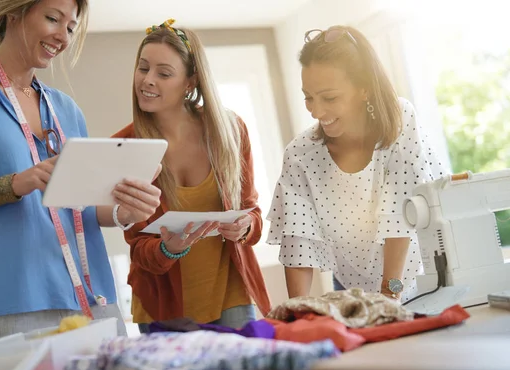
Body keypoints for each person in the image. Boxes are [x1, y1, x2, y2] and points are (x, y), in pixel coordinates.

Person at [0, 0, 162, 350]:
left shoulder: (66, 109)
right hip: (6, 308)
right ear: (15, 12)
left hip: (92, 303)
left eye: (71, 27)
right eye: (52, 19)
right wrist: (13, 185)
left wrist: (127, 210)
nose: (63, 36)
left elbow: (81, 207)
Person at [267, 26, 447, 302]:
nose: (316, 111)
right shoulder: (300, 154)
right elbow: (298, 241)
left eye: (329, 97)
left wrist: (389, 295)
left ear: (364, 89)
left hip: (422, 278)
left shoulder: (400, 120)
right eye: (308, 97)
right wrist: (297, 311)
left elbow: (400, 216)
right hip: (351, 286)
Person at [113, 19, 271, 333]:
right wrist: (169, 248)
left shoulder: (230, 130)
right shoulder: (124, 147)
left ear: (190, 82)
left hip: (232, 293)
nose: (147, 80)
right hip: (162, 304)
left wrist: (244, 226)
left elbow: (252, 212)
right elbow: (139, 248)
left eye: (164, 73)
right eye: (143, 68)